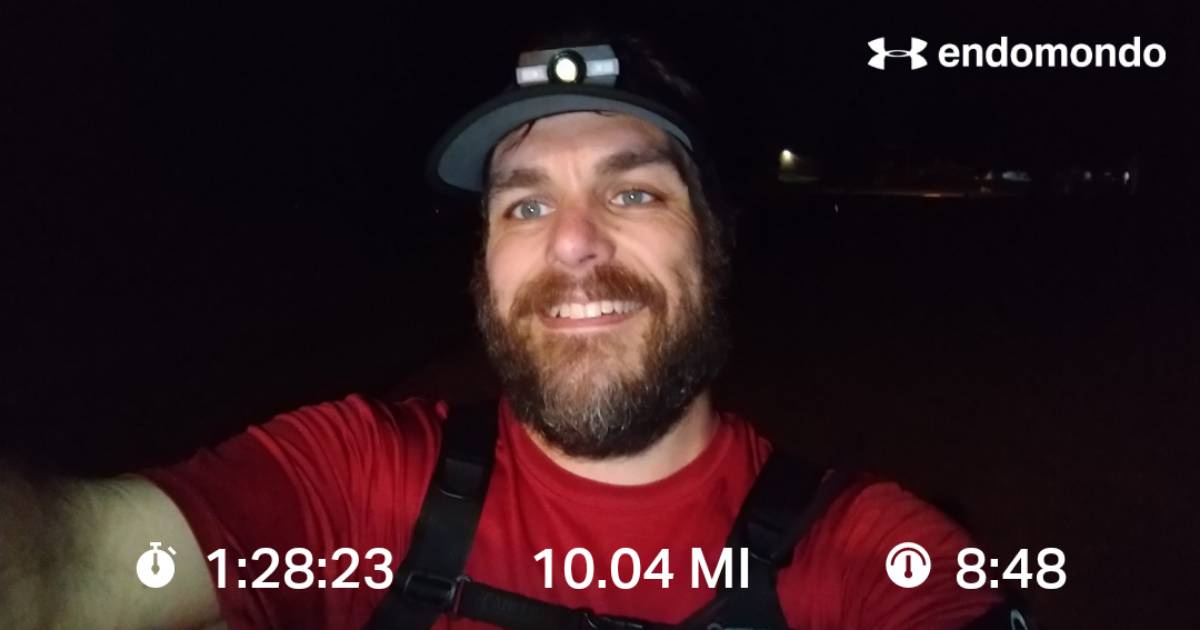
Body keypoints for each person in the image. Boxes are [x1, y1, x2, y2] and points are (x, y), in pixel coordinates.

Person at [0, 31, 1029, 630]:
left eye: (633, 193)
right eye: (525, 205)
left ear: (716, 242)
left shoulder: (869, 553)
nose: (571, 245)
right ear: (484, 262)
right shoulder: (357, 481)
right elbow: (64, 574)